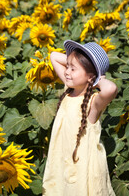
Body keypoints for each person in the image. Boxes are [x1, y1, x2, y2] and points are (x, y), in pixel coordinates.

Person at [42, 40, 117, 196]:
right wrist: (74, 61)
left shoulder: (92, 103)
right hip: (62, 157)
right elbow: (54, 56)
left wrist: (97, 78)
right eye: (67, 67)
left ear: (90, 77)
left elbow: (111, 88)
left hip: (82, 163)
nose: (67, 72)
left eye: (73, 69)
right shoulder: (70, 89)